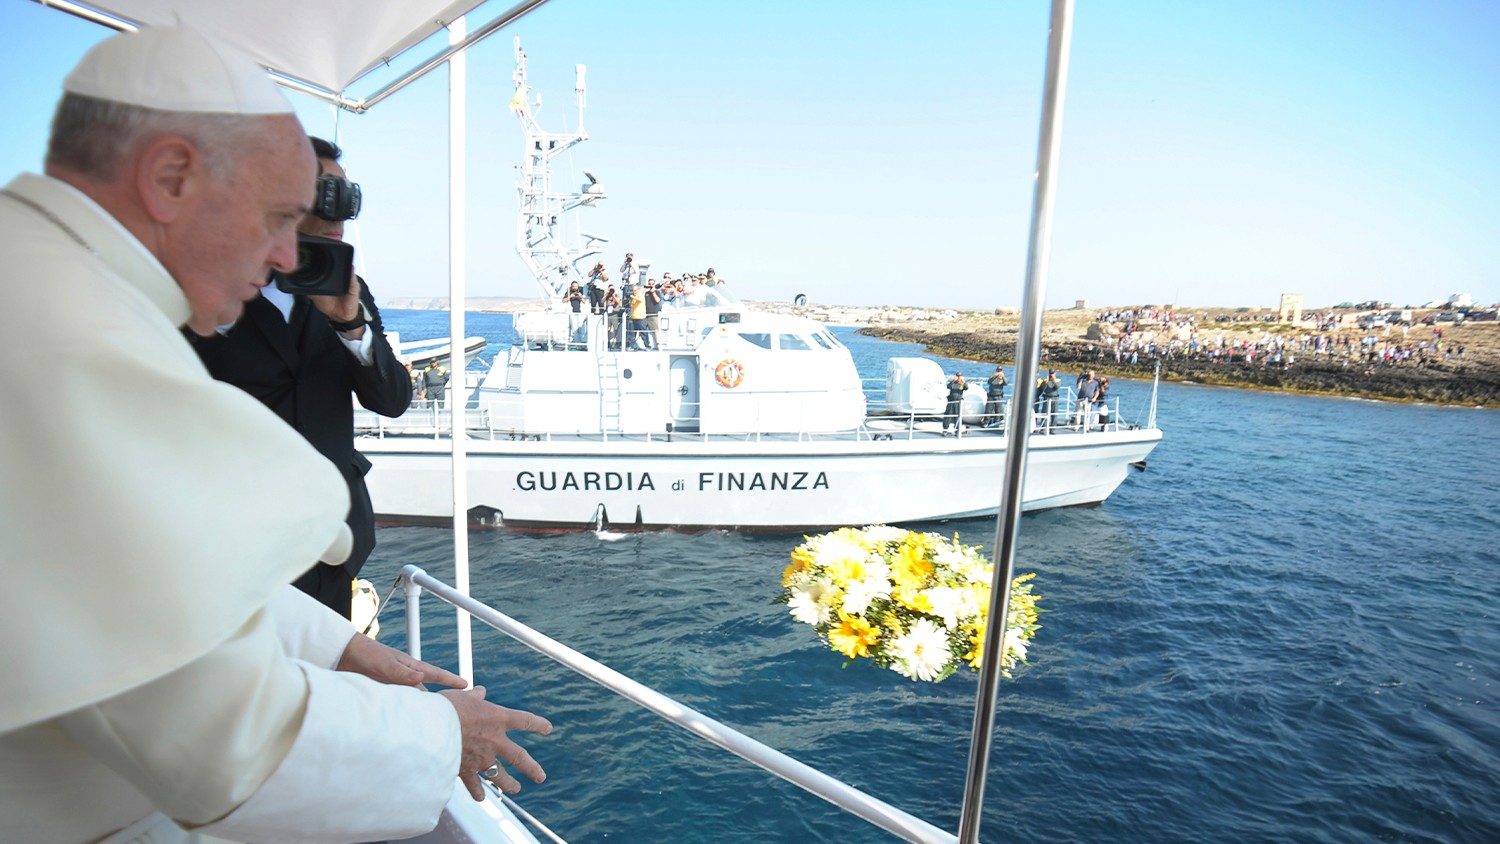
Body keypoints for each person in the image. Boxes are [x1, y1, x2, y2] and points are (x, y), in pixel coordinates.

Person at [0, 27, 549, 843]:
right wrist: (444, 733)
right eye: (277, 216)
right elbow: (219, 742)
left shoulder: (57, 288)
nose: (291, 253)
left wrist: (344, 650)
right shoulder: (63, 344)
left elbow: (149, 579)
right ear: (171, 176)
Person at [191, 135, 409, 619]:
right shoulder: (208, 289)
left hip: (335, 541)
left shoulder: (349, 288)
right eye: (324, 197)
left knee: (324, 673)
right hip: (237, 543)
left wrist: (351, 326)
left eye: (348, 200)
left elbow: (391, 399)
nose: (340, 216)